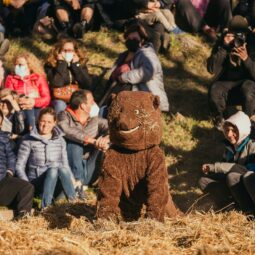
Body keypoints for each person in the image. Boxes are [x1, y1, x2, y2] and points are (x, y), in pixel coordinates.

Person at [16, 107, 76, 208]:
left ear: (54, 123)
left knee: (62, 168)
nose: (45, 125)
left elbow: (65, 164)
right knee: (53, 170)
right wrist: (26, 185)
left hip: (56, 183)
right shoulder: (28, 139)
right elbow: (19, 166)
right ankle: (46, 207)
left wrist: (72, 179)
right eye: (43, 121)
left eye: (49, 122)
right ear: (38, 121)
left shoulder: (61, 141)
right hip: (37, 183)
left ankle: (74, 203)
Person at [103, 22, 169, 112]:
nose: (131, 41)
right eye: (129, 39)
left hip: (150, 99)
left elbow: (148, 71)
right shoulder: (124, 55)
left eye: (134, 38)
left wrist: (124, 77)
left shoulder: (147, 53)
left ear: (142, 40)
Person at [199, 111, 255, 213]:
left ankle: (249, 212)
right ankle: (229, 208)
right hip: (234, 186)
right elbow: (224, 169)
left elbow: (246, 171)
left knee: (232, 177)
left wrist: (215, 167)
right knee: (204, 181)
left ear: (242, 130)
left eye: (234, 131)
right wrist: (213, 172)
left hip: (249, 187)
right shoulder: (229, 147)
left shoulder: (252, 147)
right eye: (227, 130)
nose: (229, 134)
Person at [58, 89, 109, 197]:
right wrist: (90, 140)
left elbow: (112, 128)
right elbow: (65, 129)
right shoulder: (64, 115)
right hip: (70, 167)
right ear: (83, 106)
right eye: (92, 101)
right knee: (75, 143)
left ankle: (81, 184)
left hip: (89, 166)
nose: (94, 104)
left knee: (103, 146)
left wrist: (106, 138)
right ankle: (77, 184)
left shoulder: (95, 120)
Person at [207, 15, 255, 130]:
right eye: (235, 35)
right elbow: (211, 69)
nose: (238, 40)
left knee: (247, 89)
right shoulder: (224, 40)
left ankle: (249, 123)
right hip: (227, 84)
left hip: (248, 85)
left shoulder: (253, 41)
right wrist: (223, 47)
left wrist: (246, 59)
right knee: (215, 89)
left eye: (242, 35)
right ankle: (221, 119)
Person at [0, 109, 34, 219]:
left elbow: (10, 157)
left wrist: (10, 171)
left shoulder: (3, 138)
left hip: (3, 180)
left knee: (26, 187)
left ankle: (23, 218)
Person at [5, 52, 51, 130]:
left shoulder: (38, 78)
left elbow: (46, 98)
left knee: (32, 110)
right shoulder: (10, 78)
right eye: (15, 65)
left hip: (38, 108)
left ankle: (31, 130)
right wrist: (21, 100)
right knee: (27, 109)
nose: (17, 67)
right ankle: (30, 130)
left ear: (29, 66)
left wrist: (33, 101)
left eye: (20, 65)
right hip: (19, 107)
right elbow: (9, 94)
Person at [45, 38, 92, 113]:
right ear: (59, 52)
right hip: (59, 98)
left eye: (70, 51)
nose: (67, 53)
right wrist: (61, 63)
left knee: (93, 108)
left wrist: (76, 65)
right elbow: (57, 83)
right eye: (65, 50)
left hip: (77, 97)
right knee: (60, 105)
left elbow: (87, 84)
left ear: (75, 52)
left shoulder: (80, 64)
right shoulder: (51, 65)